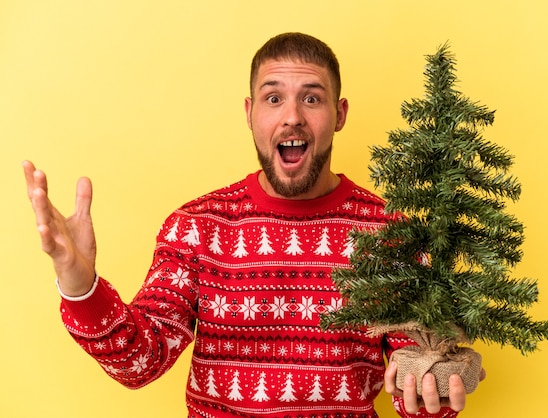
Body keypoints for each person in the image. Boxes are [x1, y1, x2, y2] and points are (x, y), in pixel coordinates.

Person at [23, 32, 481, 418]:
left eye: (312, 98)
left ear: (339, 115)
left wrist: (433, 396)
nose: (292, 116)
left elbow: (416, 382)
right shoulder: (197, 227)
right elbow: (140, 363)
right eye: (274, 97)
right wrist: (80, 285)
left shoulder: (390, 234)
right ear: (250, 113)